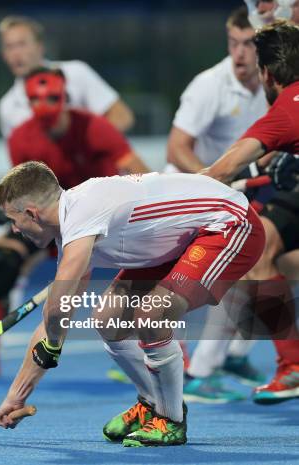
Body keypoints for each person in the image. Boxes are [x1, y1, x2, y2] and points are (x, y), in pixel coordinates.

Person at [0, 161, 265, 447]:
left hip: (229, 225)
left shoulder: (83, 213)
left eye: (13, 220)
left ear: (31, 213)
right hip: (180, 239)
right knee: (108, 319)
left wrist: (53, 341)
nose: (13, 229)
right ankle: (150, 403)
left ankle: (170, 420)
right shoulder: (74, 231)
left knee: (152, 315)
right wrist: (16, 396)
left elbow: (58, 313)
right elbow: (53, 324)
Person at [0, 68, 149, 383]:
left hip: (98, 222)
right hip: (49, 224)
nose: (44, 104)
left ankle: (147, 353)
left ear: (65, 98)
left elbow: (140, 175)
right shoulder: (22, 137)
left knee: (147, 266)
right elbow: (24, 192)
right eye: (35, 98)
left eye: (51, 97)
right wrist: (3, 211)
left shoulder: (96, 128)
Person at [166, 6, 268, 402]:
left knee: (269, 264)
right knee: (243, 273)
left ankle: (232, 356)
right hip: (186, 194)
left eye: (248, 45)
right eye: (233, 44)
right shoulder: (208, 85)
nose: (240, 54)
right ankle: (198, 371)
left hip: (231, 196)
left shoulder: (272, 83)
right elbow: (176, 148)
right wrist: (213, 184)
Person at [204, 20, 299, 405]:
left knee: (259, 252)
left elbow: (221, 172)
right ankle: (291, 366)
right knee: (266, 252)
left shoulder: (284, 110)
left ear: (267, 73)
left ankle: (292, 366)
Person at [0, 15, 134, 138]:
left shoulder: (76, 72)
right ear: (3, 54)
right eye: (9, 47)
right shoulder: (7, 107)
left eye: (22, 44)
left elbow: (122, 117)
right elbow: (22, 160)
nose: (16, 54)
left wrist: (86, 148)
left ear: (40, 46)